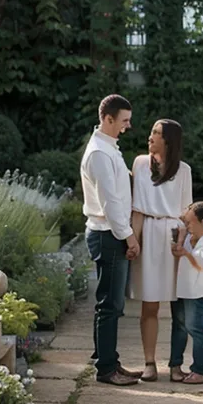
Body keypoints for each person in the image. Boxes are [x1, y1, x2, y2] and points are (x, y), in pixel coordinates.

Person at [81, 94, 142, 386]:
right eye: (124, 121)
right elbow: (110, 203)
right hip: (108, 234)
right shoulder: (99, 154)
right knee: (111, 304)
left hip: (109, 233)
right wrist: (129, 237)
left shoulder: (109, 149)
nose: (127, 126)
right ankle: (106, 369)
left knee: (111, 303)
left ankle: (108, 360)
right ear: (108, 119)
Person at [129, 119, 193, 382]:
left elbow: (187, 212)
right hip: (150, 236)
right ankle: (149, 363)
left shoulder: (184, 170)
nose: (150, 136)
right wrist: (133, 240)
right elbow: (138, 209)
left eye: (156, 133)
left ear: (169, 140)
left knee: (179, 306)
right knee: (150, 305)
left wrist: (184, 244)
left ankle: (176, 365)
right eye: (151, 131)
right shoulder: (141, 163)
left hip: (174, 238)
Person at [169, 201, 203, 384]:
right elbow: (179, 252)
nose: (187, 226)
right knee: (179, 327)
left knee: (196, 329)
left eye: (190, 223)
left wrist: (185, 252)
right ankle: (175, 365)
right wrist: (182, 238)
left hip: (197, 294)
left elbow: (200, 263)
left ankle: (201, 370)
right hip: (182, 290)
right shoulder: (190, 238)